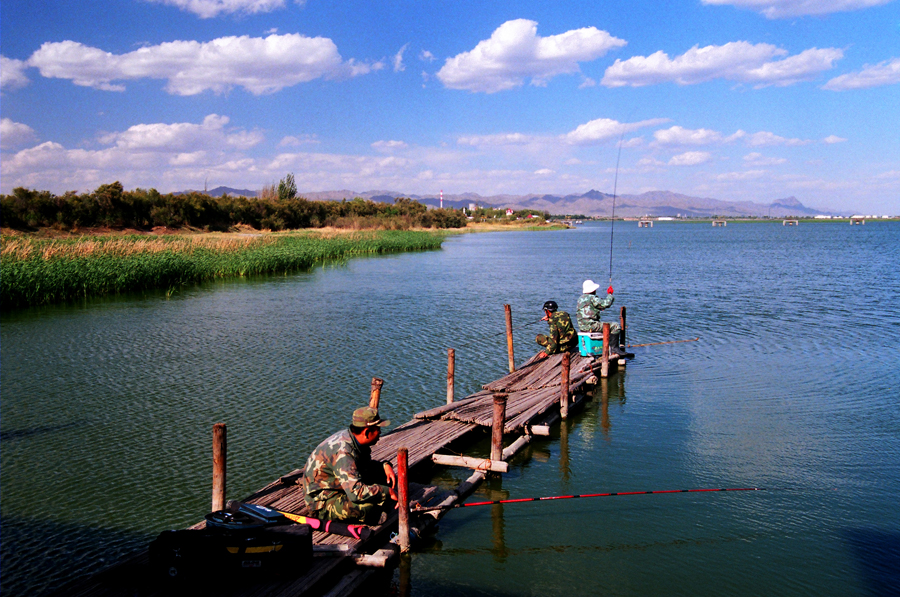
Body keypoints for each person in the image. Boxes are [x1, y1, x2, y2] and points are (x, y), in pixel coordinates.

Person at [302, 406, 397, 525]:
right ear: (367, 432)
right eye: (377, 429)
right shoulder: (343, 452)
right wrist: (387, 492)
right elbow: (356, 493)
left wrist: (384, 466)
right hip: (322, 502)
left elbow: (364, 465)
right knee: (369, 507)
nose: (380, 432)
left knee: (389, 479)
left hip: (342, 485)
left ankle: (382, 501)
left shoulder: (353, 440)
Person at [577, 279, 625, 356]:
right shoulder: (592, 298)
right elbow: (606, 304)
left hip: (582, 326)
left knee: (605, 325)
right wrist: (610, 294)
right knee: (615, 326)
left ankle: (609, 346)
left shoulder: (580, 299)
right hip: (591, 325)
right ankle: (614, 349)